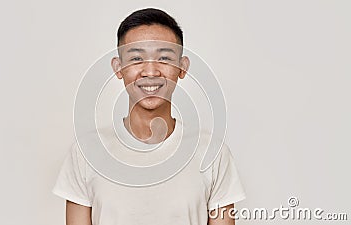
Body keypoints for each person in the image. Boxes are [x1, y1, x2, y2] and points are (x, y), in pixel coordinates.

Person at [52, 8, 246, 225]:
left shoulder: (212, 152)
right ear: (119, 68)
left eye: (164, 58)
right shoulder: (86, 152)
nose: (150, 71)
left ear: (182, 67)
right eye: (136, 58)